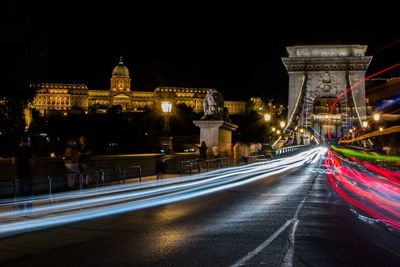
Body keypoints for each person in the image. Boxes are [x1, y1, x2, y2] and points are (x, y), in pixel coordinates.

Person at [14, 136, 33, 213]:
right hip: (27, 172)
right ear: (26, 141)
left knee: (20, 192)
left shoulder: (17, 149)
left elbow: (14, 161)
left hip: (19, 172)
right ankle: (29, 210)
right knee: (28, 192)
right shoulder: (28, 149)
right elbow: (31, 162)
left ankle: (20, 210)